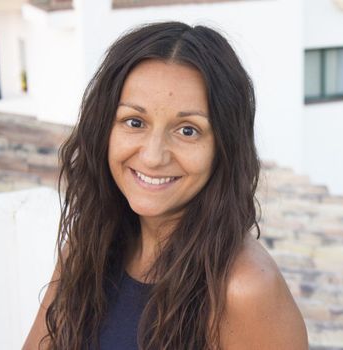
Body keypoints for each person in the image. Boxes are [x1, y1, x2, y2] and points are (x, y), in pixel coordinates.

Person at [22, 22, 308, 350]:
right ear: (104, 130)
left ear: (223, 148)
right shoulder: (87, 247)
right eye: (135, 122)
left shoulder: (244, 289)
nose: (153, 156)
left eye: (188, 130)